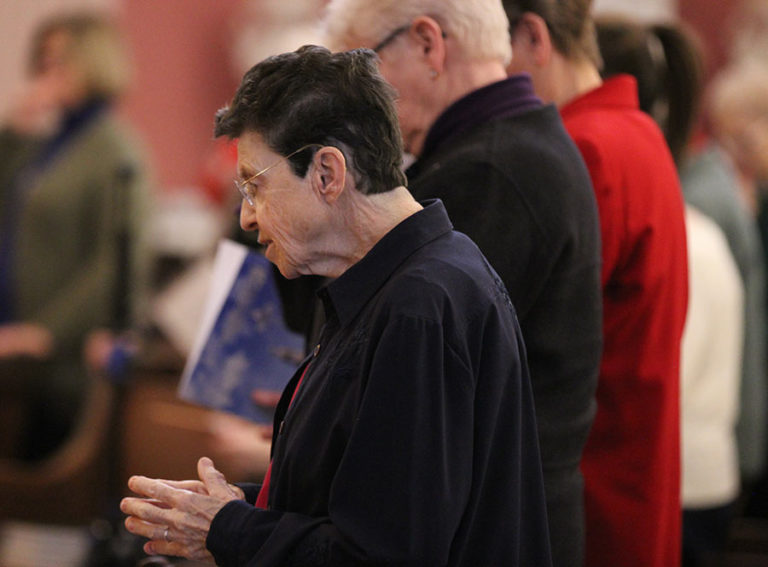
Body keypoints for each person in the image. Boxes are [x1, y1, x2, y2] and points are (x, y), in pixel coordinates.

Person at [120, 45, 552, 566]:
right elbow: (356, 495)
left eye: (255, 186)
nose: (247, 218)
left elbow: (383, 555)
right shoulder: (398, 282)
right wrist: (236, 509)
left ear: (327, 173)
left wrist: (231, 530)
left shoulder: (419, 308)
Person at [322, 3, 602, 565]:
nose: (352, 103)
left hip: (492, 531)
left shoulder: (489, 172)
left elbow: (410, 376)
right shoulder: (512, 147)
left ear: (428, 43)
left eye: (363, 68)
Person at [500, 1, 689, 566]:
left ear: (534, 38)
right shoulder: (637, 131)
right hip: (633, 474)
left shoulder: (582, 148)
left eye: (492, 54)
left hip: (593, 488)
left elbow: (534, 336)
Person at [596, 16, 765, 564]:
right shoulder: (698, 218)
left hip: (681, 467)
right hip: (703, 462)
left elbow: (669, 366)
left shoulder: (694, 220)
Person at [0, 12, 152, 460]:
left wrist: (44, 331)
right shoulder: (45, 142)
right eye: (43, 61)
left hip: (60, 363)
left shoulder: (115, 150)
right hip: (16, 346)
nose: (48, 73)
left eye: (61, 60)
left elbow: (115, 263)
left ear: (93, 61)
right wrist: (12, 130)